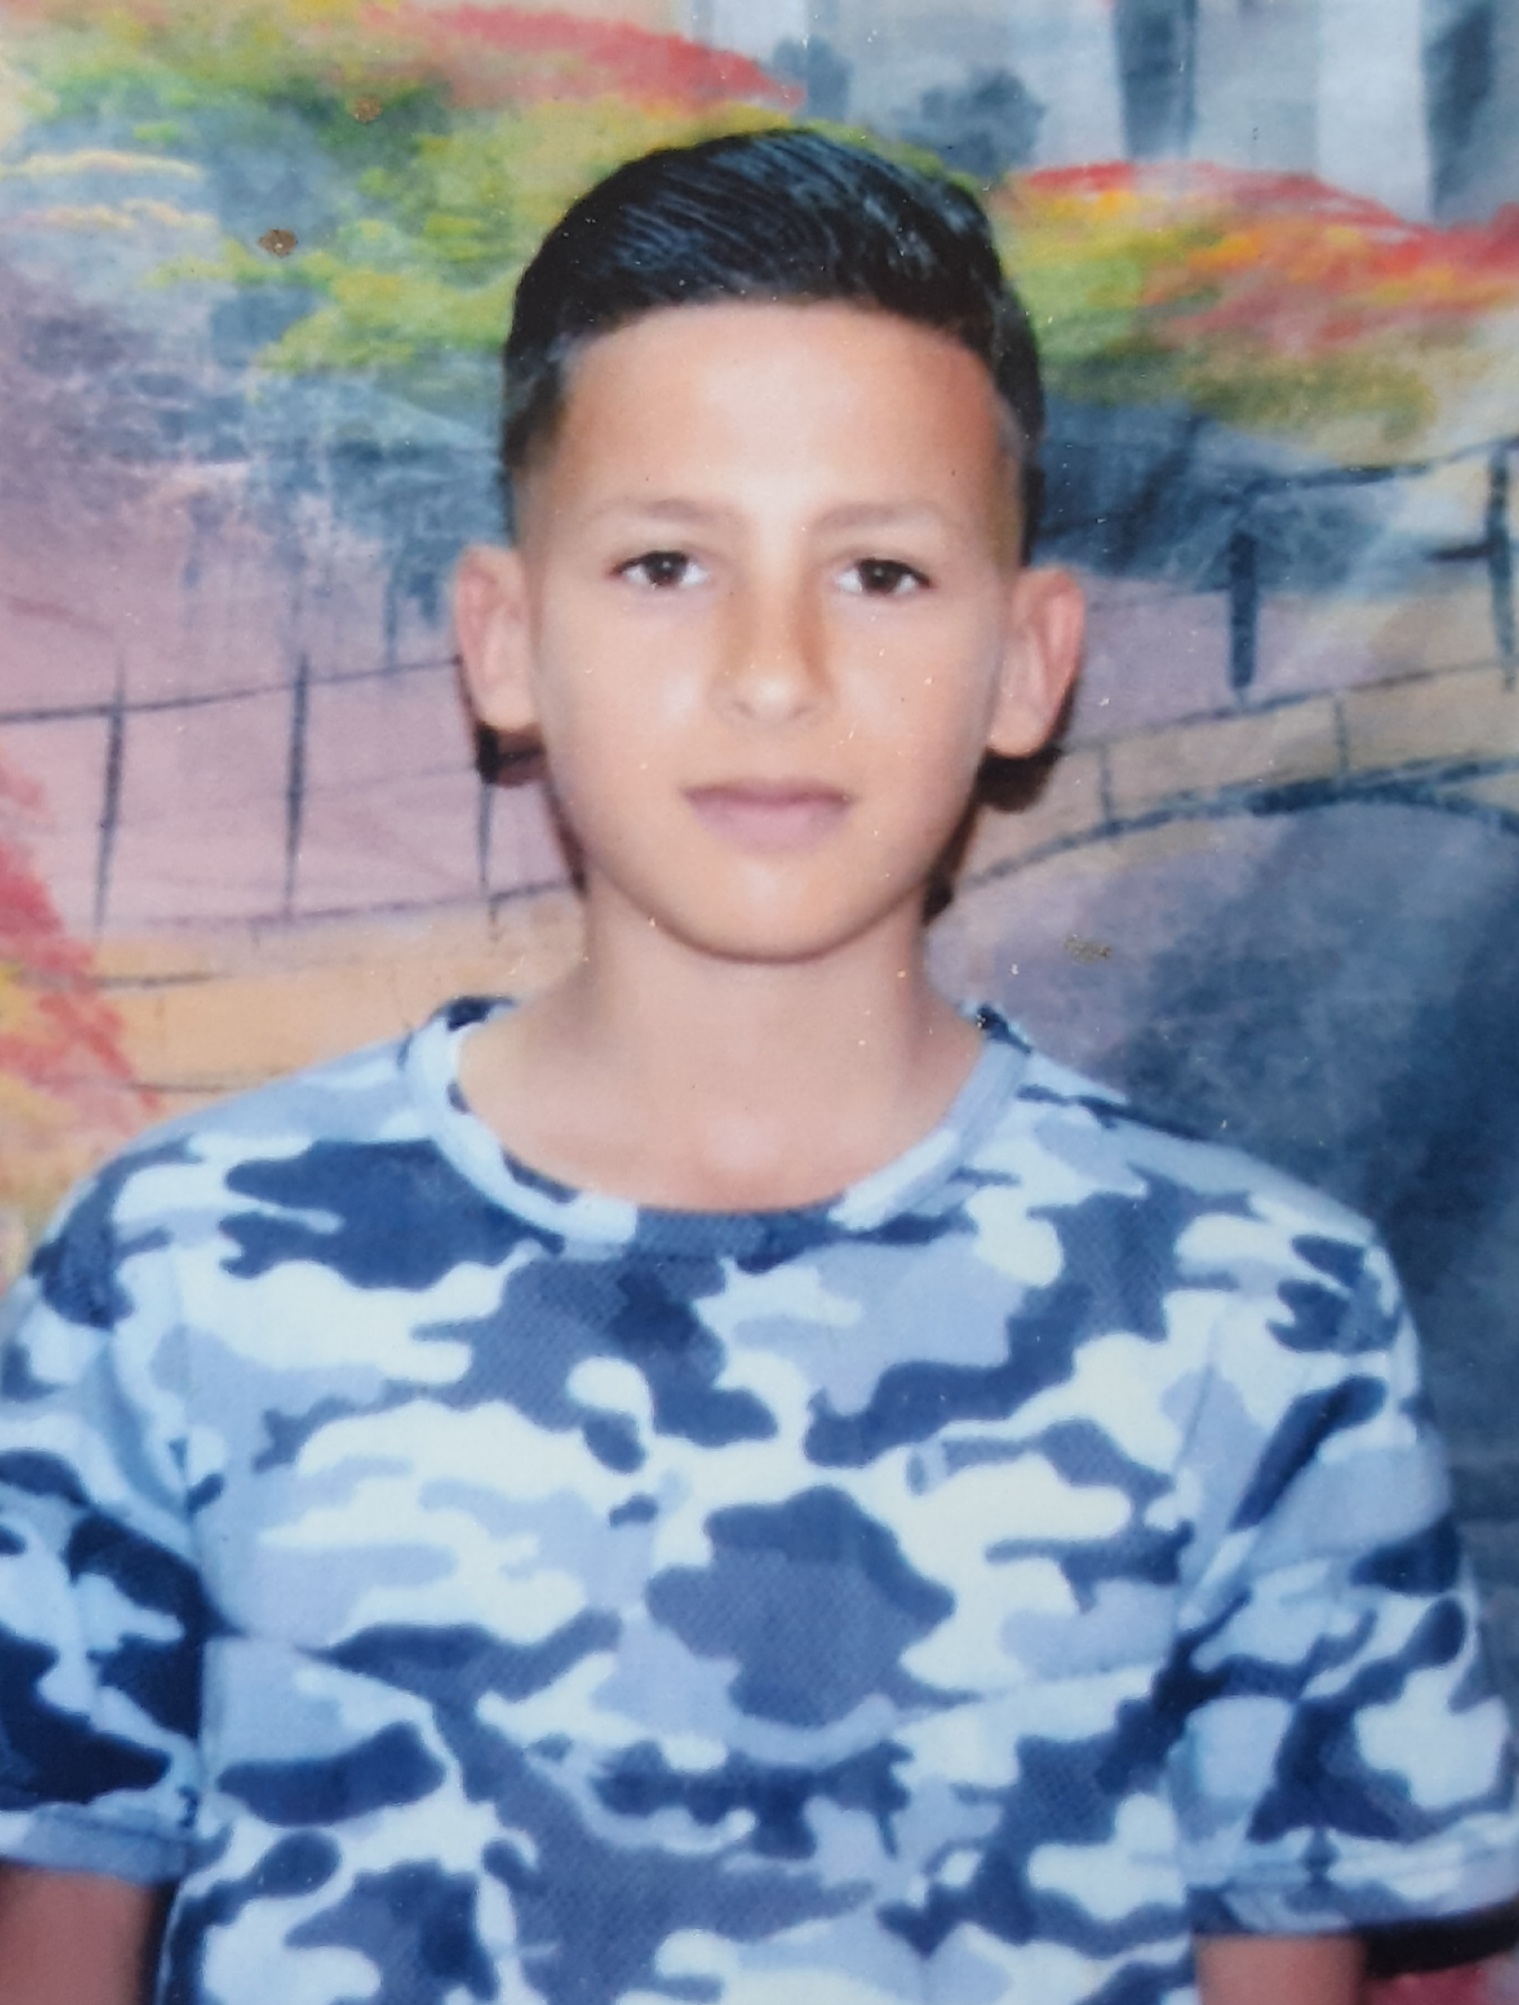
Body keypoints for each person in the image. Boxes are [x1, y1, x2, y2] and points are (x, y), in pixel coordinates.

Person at [0, 128, 1515, 2005]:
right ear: (504, 639)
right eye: (665, 563)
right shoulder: (178, 1275)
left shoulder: (1259, 1315)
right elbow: (55, 1929)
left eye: (880, 570)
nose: (774, 670)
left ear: (1031, 660)